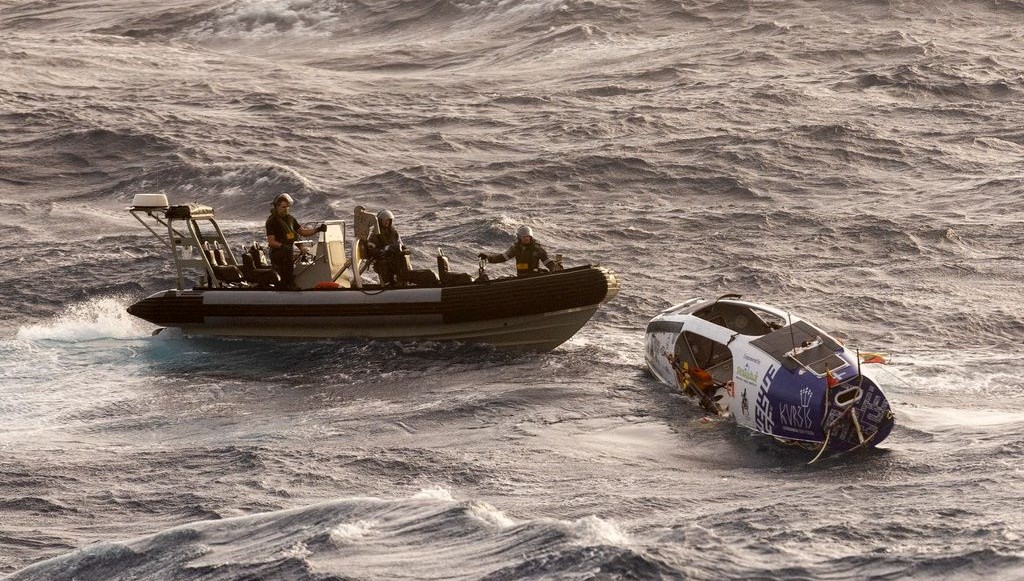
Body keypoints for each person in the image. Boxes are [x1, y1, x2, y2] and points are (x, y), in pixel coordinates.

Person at [265, 193, 324, 290]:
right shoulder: (272, 221)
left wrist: (318, 229)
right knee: (288, 251)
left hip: (288, 250)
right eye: (284, 207)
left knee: (296, 252)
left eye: (288, 207)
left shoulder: (290, 219)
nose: (286, 209)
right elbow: (271, 242)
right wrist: (283, 247)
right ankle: (289, 283)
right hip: (277, 252)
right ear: (277, 207)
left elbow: (303, 232)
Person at [478, 225, 561, 277]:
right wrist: (488, 258)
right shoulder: (516, 248)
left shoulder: (537, 249)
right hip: (521, 276)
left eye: (527, 236)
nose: (526, 238)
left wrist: (556, 268)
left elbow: (547, 262)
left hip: (534, 276)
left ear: (531, 236)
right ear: (519, 238)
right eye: (524, 237)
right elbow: (503, 257)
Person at [367, 209, 407, 286]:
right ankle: (388, 284)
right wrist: (385, 250)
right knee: (384, 264)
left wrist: (404, 249)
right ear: (379, 221)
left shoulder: (394, 233)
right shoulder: (374, 235)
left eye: (388, 220)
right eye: (385, 220)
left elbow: (400, 244)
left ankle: (403, 281)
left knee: (403, 260)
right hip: (381, 259)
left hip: (394, 258)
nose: (387, 222)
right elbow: (371, 250)